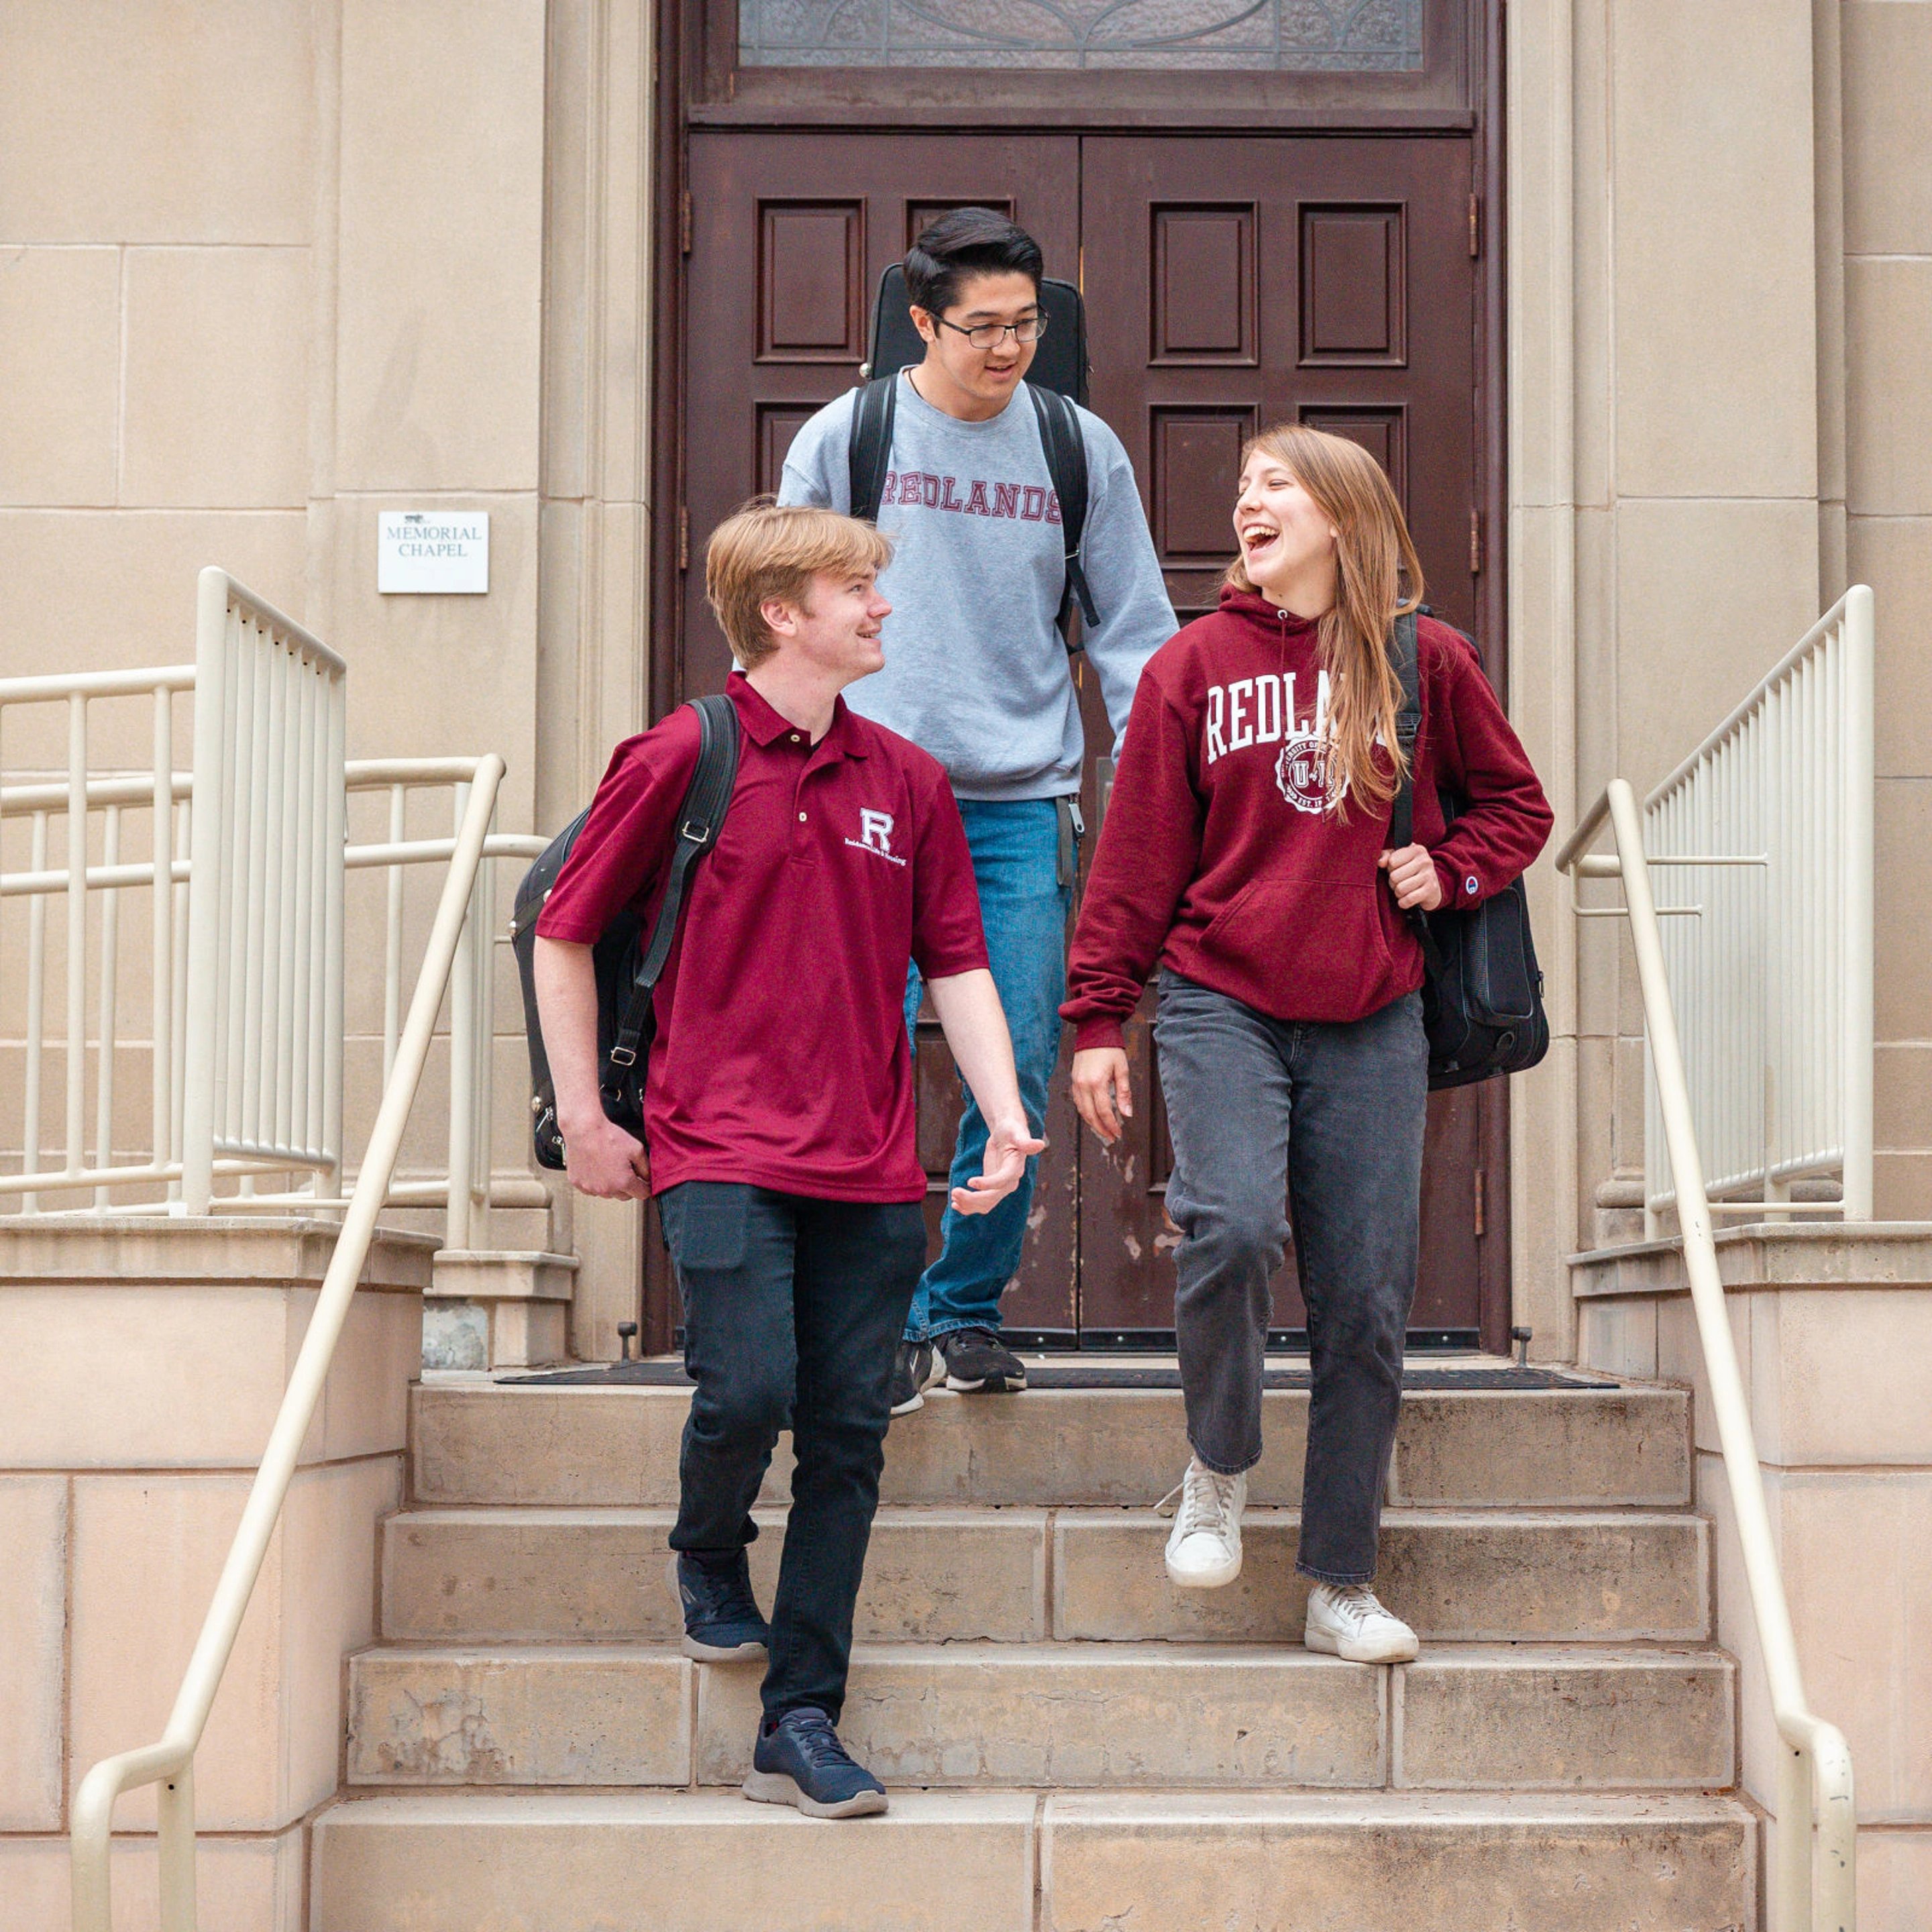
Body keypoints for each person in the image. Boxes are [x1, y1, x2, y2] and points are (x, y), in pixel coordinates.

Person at [532, 501, 1041, 1817]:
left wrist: (1001, 1115)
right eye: (857, 588)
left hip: (870, 1170)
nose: (882, 607)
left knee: (849, 1442)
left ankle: (799, 1722)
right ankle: (707, 1548)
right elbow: (564, 928)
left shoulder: (911, 783)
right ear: (781, 613)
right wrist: (588, 1118)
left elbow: (961, 964)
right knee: (749, 1387)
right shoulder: (681, 755)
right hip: (716, 1149)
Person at [1061, 425, 1552, 1663]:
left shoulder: (1422, 659)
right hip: (1222, 996)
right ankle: (1218, 1468)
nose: (1248, 505)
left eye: (1275, 485)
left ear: (1342, 511)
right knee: (1227, 1223)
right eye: (1242, 491)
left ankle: (1342, 1580)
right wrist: (1095, 1022)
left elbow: (1519, 805)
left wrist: (1449, 866)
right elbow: (1133, 865)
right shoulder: (1193, 667)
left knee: (1369, 1297)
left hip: (1373, 1013)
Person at [780, 208, 1175, 1412]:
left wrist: (1171, 781)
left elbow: (1133, 631)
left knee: (1023, 1049)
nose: (1007, 348)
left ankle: (962, 1311)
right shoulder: (850, 436)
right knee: (867, 1054)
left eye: (1026, 324)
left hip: (1019, 799)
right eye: (981, 327)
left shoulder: (1076, 445)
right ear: (921, 319)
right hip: (864, 794)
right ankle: (883, 1315)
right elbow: (781, 605)